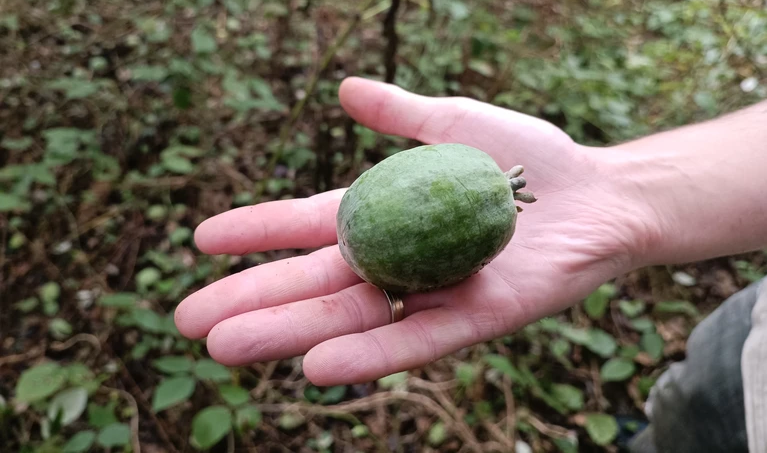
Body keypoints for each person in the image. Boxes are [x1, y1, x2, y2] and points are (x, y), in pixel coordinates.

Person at [174, 77, 767, 452]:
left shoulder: (491, 209)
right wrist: (618, 189)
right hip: (740, 357)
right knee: (681, 416)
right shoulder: (481, 188)